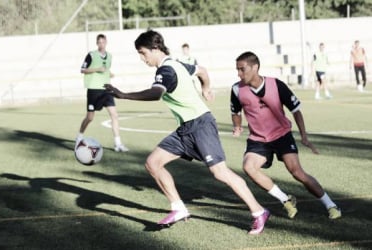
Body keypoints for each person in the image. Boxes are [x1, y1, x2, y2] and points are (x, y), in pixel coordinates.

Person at [104, 30, 270, 235]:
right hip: (185, 128)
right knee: (153, 163)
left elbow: (156, 93)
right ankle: (178, 208)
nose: (142, 58)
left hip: (200, 125)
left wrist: (123, 95)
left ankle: (258, 211)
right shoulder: (178, 64)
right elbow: (202, 70)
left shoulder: (166, 71)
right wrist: (206, 88)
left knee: (220, 172)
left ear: (155, 49)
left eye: (143, 53)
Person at [230, 51, 341, 220]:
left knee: (297, 172)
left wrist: (304, 136)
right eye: (237, 69)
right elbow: (235, 111)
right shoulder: (237, 89)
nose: (239, 73)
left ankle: (330, 204)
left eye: (242, 69)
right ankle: (285, 199)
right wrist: (237, 126)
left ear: (255, 67)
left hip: (282, 135)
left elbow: (296, 110)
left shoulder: (277, 85)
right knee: (248, 167)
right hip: (258, 139)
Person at [76, 34, 128, 152]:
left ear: (106, 42)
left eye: (103, 42)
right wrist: (97, 69)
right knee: (90, 118)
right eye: (99, 42)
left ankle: (118, 144)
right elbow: (82, 70)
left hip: (107, 89)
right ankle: (79, 136)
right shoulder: (91, 55)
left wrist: (109, 74)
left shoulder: (109, 56)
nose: (101, 44)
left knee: (114, 115)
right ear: (96, 43)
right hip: (93, 90)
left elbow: (106, 69)